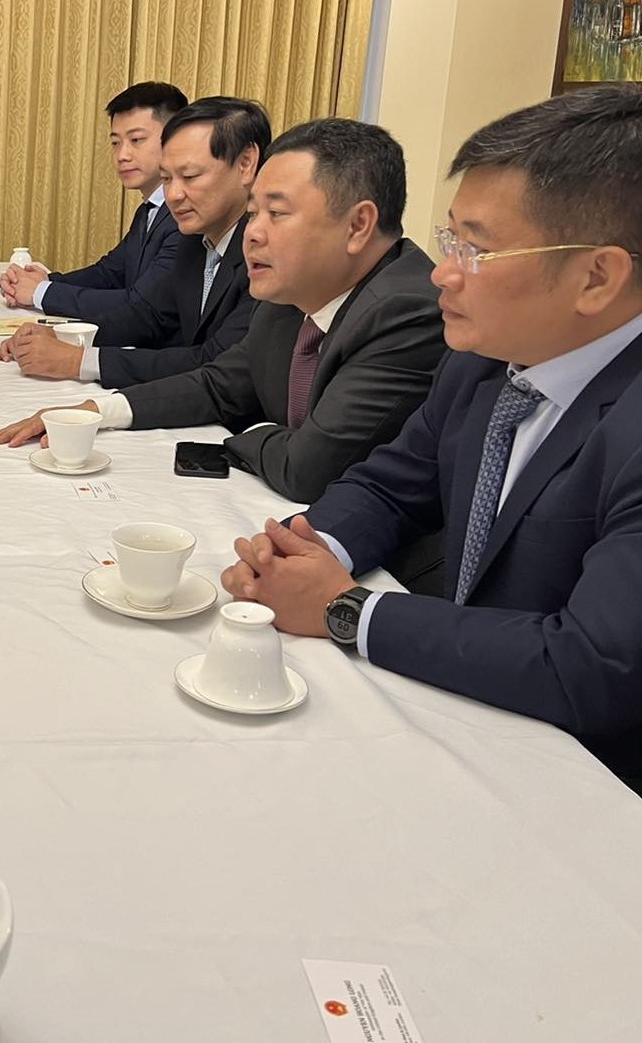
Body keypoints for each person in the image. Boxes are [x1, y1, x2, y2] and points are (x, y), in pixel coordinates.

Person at [219, 85, 642, 790]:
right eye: (449, 239)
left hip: (590, 785)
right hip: (467, 710)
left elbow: (592, 665)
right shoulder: (483, 359)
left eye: (477, 250)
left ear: (596, 277)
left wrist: (346, 610)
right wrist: (301, 550)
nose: (442, 273)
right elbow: (392, 484)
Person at [0, 118, 446, 505]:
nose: (253, 233)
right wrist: (99, 409)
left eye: (276, 214)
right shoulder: (293, 293)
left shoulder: (406, 313)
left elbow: (307, 468)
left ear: (358, 225)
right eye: (253, 212)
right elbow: (218, 384)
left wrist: (246, 433)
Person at [0, 96, 267, 388]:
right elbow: (149, 316)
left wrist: (78, 361)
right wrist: (64, 336)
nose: (174, 195)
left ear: (245, 163)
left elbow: (215, 362)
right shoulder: (196, 239)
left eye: (190, 176)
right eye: (167, 179)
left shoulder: (265, 252)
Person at [0, 81, 186, 316]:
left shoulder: (184, 214)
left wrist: (41, 292)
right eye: (115, 143)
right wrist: (45, 281)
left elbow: (142, 305)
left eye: (136, 140)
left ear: (175, 139)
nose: (122, 155)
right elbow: (110, 273)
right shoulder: (150, 209)